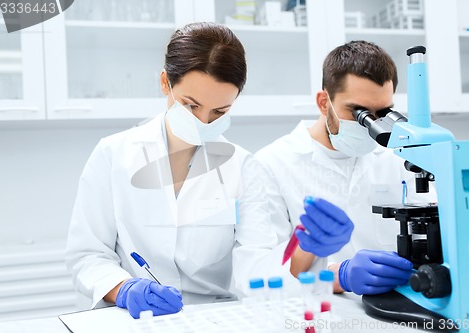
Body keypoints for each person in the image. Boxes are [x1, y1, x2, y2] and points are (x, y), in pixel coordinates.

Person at [65, 22, 353, 319]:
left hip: (211, 317)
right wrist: (124, 288)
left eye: (219, 112)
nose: (203, 122)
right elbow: (87, 255)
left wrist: (305, 249)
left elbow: (255, 267)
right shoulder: (113, 154)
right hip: (131, 317)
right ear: (166, 83)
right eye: (191, 106)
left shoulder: (243, 167)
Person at [256, 40, 435, 296]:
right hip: (317, 312)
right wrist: (338, 276)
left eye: (382, 113)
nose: (370, 125)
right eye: (358, 112)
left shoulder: (398, 157)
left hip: (396, 307)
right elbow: (267, 272)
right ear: (323, 103)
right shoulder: (272, 164)